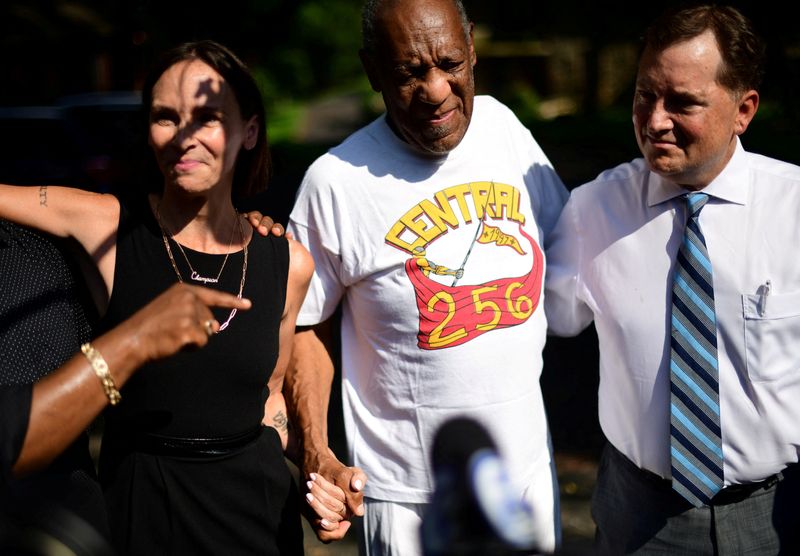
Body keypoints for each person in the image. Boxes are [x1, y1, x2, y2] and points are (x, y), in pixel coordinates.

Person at [0, 39, 345, 554]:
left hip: (256, 518)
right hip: (141, 511)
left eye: (207, 117)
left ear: (248, 131)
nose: (184, 136)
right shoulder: (106, 226)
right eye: (165, 117)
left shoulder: (287, 262)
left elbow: (269, 399)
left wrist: (323, 469)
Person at [284, 0, 568, 553]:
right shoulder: (335, 182)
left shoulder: (504, 129)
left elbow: (567, 248)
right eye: (409, 73)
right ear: (372, 72)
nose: (436, 89)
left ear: (472, 52)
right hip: (410, 504)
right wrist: (317, 452)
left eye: (449, 64)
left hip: (528, 479)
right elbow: (302, 325)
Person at [545, 5, 800, 554]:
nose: (655, 120)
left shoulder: (794, 210)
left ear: (743, 110)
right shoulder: (592, 211)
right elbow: (535, 322)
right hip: (641, 516)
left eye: (682, 103)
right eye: (644, 95)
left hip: (780, 511)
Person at [1, 218, 250, 554]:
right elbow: (11, 436)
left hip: (82, 527)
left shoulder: (46, 244)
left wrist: (228, 216)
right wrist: (135, 340)